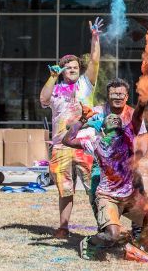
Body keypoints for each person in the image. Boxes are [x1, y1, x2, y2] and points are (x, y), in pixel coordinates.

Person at [63, 102, 148, 261]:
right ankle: (89, 243)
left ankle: (136, 245)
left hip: (130, 197)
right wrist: (83, 119)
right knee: (112, 235)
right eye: (109, 118)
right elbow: (67, 140)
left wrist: (143, 100)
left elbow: (137, 115)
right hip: (108, 197)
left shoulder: (128, 135)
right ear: (103, 129)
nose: (114, 118)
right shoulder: (95, 142)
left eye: (117, 118)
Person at [39, 17, 103, 239]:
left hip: (85, 145)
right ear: (62, 70)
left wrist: (95, 38)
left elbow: (94, 61)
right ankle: (63, 227)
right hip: (61, 146)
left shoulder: (86, 84)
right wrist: (52, 77)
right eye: (69, 67)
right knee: (65, 190)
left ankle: (103, 227)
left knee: (94, 188)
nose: (73, 70)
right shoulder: (55, 88)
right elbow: (43, 99)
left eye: (76, 67)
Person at [84, 78, 148, 235]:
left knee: (139, 196)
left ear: (126, 96)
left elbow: (143, 142)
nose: (118, 97)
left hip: (128, 163)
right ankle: (105, 227)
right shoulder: (98, 112)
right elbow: (75, 128)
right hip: (103, 165)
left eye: (121, 94)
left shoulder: (133, 114)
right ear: (108, 95)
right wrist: (84, 120)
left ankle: (138, 232)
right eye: (114, 94)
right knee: (96, 193)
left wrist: (135, 160)